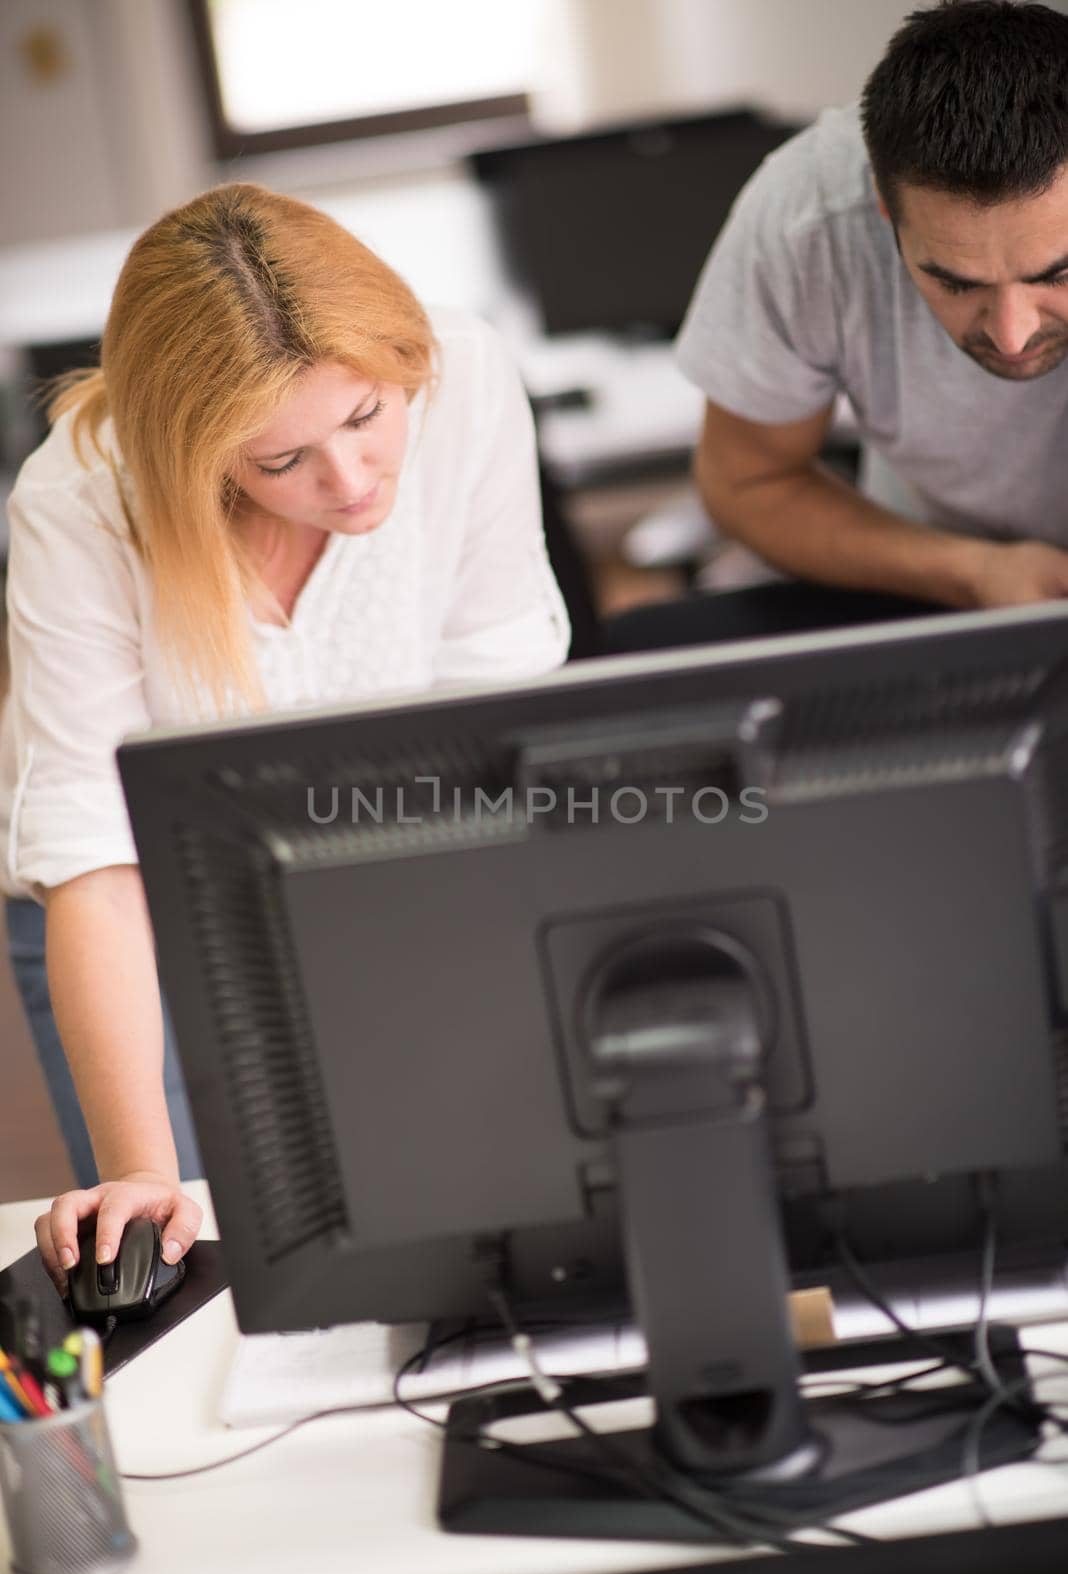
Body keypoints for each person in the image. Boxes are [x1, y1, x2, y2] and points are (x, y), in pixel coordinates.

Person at [0, 182, 569, 1291]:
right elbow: (93, 864)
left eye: (366, 417)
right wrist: (138, 1172)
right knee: (208, 1258)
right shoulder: (80, 506)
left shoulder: (465, 375)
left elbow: (494, 725)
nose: (350, 482)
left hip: (397, 857)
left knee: (464, 1216)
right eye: (280, 462)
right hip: (141, 917)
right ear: (200, 458)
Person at [674, 0, 1068, 625]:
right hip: (934, 595)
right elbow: (747, 482)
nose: (1012, 334)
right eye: (955, 283)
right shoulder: (811, 219)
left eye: (1057, 274)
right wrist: (975, 575)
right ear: (884, 206)